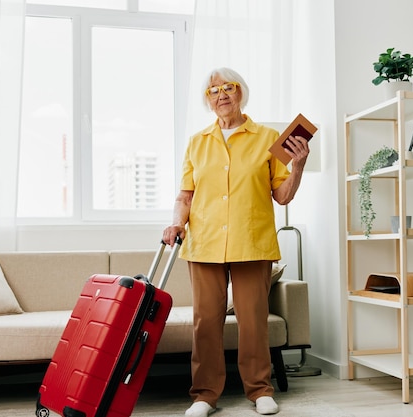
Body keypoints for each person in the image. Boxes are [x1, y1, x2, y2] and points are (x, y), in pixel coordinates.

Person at [162, 67, 309, 417]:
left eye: (229, 87)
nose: (222, 94)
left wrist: (299, 166)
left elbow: (282, 196)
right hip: (205, 242)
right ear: (207, 100)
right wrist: (175, 223)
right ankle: (204, 395)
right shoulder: (197, 142)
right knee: (206, 322)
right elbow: (185, 194)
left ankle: (259, 390)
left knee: (253, 319)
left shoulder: (268, 138)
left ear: (241, 92)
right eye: (213, 91)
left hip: (251, 240)